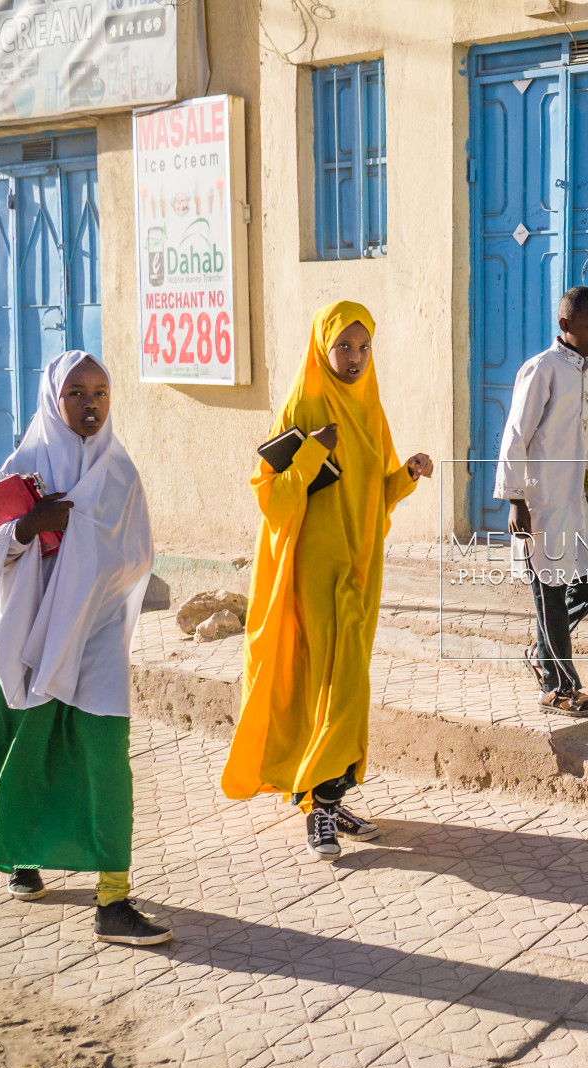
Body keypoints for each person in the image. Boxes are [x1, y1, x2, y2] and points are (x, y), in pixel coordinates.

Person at [221, 301, 432, 861]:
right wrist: (314, 450)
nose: (355, 358)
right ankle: (320, 803)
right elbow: (270, 494)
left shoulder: (371, 405)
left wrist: (406, 475)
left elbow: (375, 493)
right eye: (343, 346)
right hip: (313, 566)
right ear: (322, 347)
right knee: (335, 682)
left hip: (361, 565)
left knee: (349, 679)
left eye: (364, 347)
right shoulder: (304, 401)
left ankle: (329, 795)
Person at [0, 351, 171, 946]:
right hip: (30, 634)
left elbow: (139, 555)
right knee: (23, 743)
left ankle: (113, 901)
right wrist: (27, 530)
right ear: (53, 400)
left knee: (106, 758)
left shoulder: (120, 472)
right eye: (76, 393)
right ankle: (23, 854)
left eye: (101, 392)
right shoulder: (27, 464)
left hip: (97, 635)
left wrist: (85, 559)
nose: (90, 404)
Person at [494, 286, 588, 717]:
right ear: (566, 325)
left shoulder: (586, 370)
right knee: (551, 592)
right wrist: (515, 500)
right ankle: (557, 687)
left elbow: (587, 434)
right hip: (540, 503)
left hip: (573, 501)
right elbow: (515, 435)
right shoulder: (542, 369)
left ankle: (543, 652)